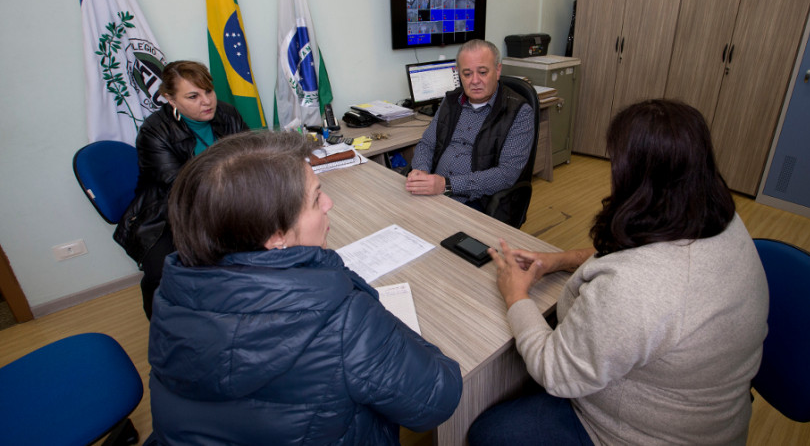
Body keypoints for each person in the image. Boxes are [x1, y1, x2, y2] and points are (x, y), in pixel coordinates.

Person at [468, 99, 769, 445]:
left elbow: (555, 372)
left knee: (486, 433)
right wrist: (558, 260)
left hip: (638, 434)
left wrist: (515, 295)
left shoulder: (637, 288)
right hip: (707, 412)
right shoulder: (715, 217)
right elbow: (636, 256)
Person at [145, 131, 463, 445]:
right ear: (275, 236)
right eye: (315, 198)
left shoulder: (170, 296)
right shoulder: (343, 322)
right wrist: (377, 322)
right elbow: (439, 396)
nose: (329, 203)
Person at [114, 60, 248, 319]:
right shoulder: (154, 131)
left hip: (227, 203)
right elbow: (182, 187)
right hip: (167, 214)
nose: (206, 101)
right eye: (193, 96)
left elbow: (249, 159)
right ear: (170, 100)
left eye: (208, 91)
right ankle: (165, 331)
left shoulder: (228, 114)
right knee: (163, 275)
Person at [406, 39, 534, 221]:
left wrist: (447, 185)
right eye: (467, 74)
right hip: (435, 191)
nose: (475, 81)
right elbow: (427, 144)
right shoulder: (451, 101)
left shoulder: (519, 112)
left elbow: (506, 174)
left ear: (497, 71)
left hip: (478, 201)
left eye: (482, 72)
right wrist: (421, 171)